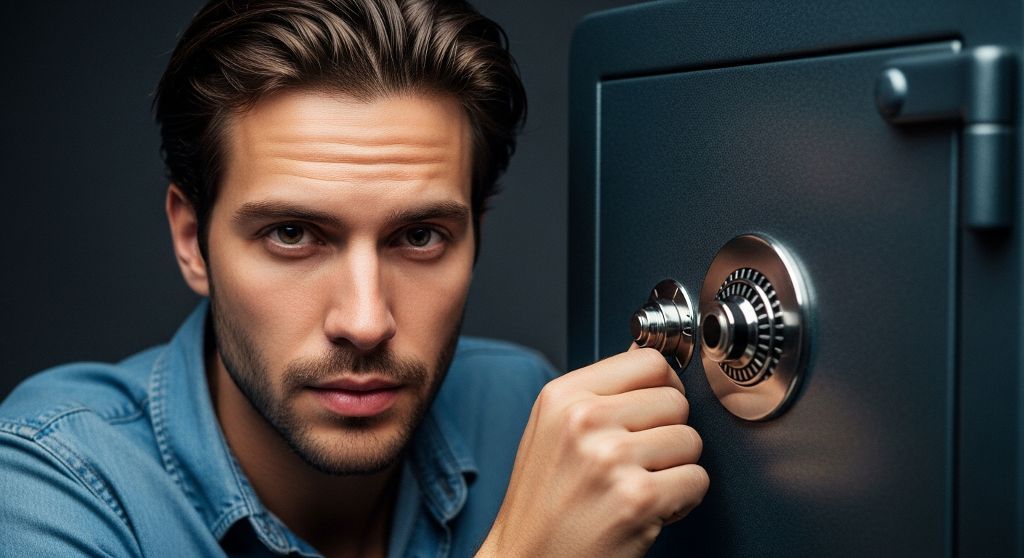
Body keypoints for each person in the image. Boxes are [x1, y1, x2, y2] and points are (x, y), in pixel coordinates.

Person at [0, 1, 708, 556]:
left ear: (476, 235)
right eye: (291, 234)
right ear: (193, 241)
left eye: (419, 236)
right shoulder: (52, 484)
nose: (366, 322)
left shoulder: (522, 411)